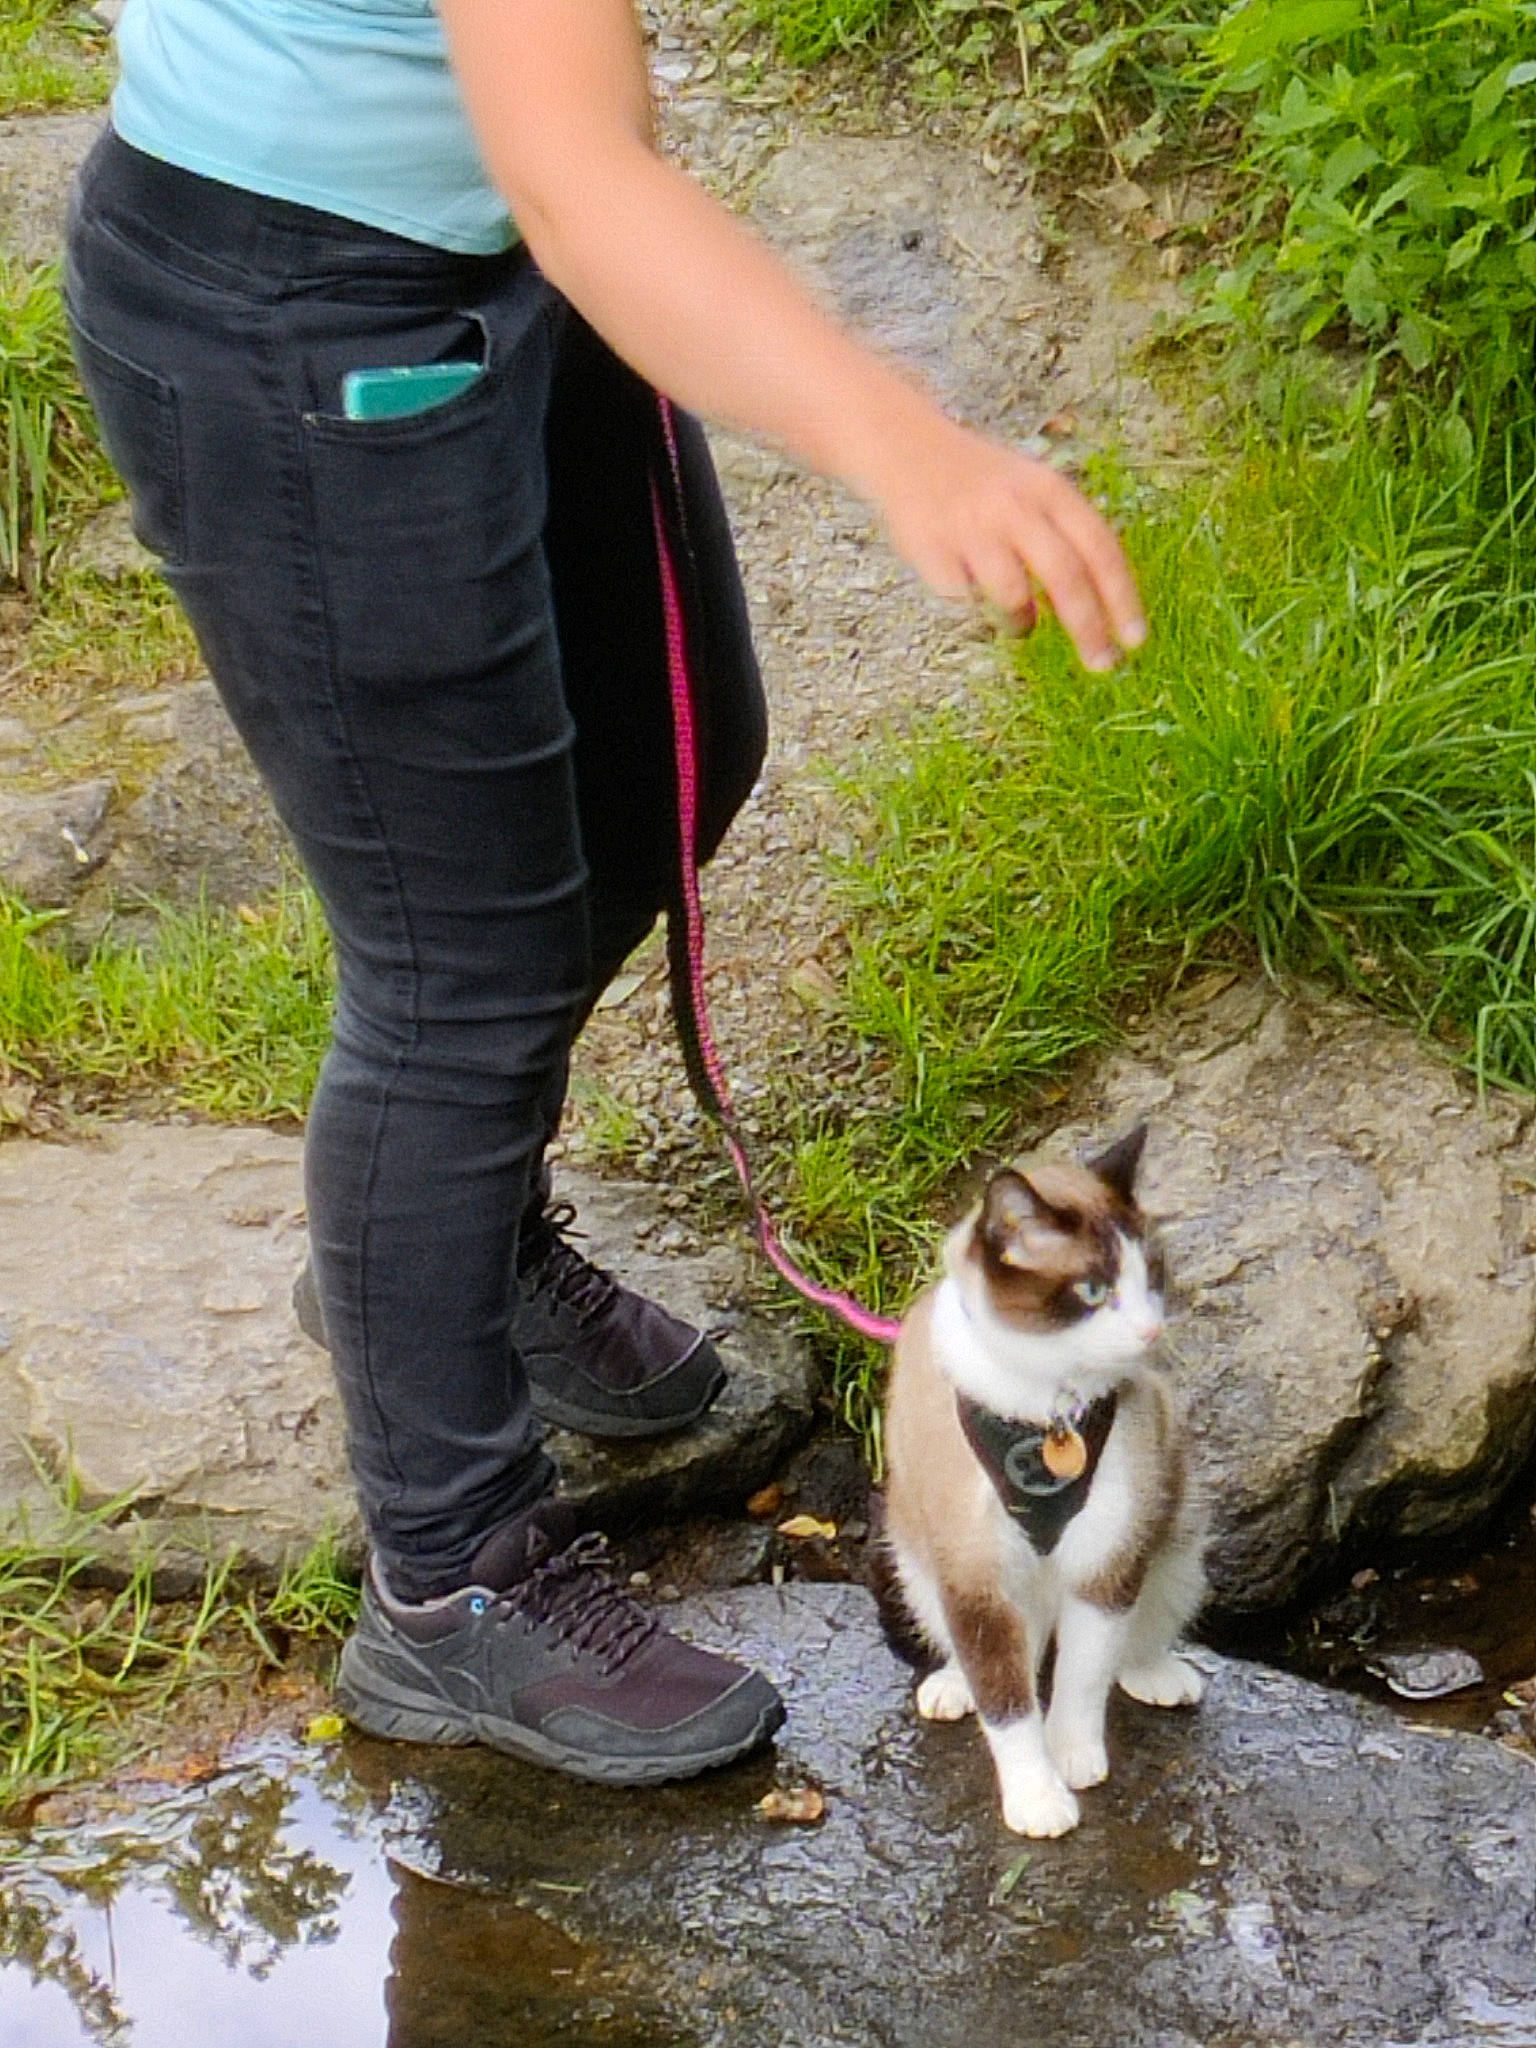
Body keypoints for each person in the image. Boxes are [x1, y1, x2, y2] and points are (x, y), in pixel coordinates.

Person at [65, 0, 1147, 1787]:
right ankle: (451, 1582)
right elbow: (583, 172)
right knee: (454, 968)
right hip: (307, 303)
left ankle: (445, 1250)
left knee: (668, 765)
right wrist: (911, 444)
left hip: (485, 244)